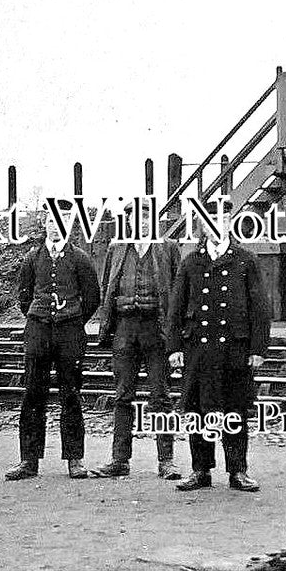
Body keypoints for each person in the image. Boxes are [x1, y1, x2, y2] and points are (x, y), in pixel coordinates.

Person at [166, 216, 272, 492]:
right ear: (202, 226)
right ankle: (200, 470)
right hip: (198, 348)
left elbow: (260, 307)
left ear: (229, 225)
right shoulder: (191, 262)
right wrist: (174, 347)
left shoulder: (245, 260)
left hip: (234, 347)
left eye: (221, 221)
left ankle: (238, 470)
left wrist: (258, 348)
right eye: (209, 221)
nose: (215, 226)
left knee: (235, 408)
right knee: (197, 409)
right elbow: (176, 307)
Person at [6, 207, 101, 481]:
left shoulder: (80, 259)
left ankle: (74, 459)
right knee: (33, 394)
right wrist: (40, 317)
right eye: (51, 221)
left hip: (70, 333)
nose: (55, 226)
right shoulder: (32, 259)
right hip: (38, 332)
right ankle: (29, 461)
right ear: (45, 225)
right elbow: (24, 298)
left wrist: (72, 319)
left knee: (70, 395)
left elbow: (92, 298)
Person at [91, 200, 183, 480]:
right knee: (122, 396)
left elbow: (179, 295)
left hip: (156, 330)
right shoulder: (117, 249)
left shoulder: (168, 248)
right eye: (137, 218)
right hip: (125, 329)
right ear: (128, 221)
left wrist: (176, 335)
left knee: (161, 396)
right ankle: (119, 459)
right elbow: (107, 286)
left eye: (148, 218)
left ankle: (166, 461)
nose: (142, 223)